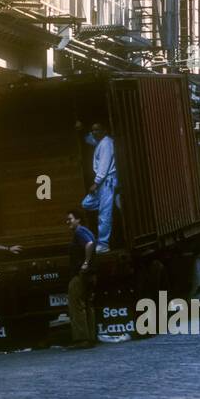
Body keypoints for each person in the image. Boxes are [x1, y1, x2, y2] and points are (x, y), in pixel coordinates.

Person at [81, 121, 118, 252]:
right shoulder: (100, 142)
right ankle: (111, 204)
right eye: (93, 130)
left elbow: (104, 165)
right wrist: (81, 128)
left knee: (104, 214)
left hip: (106, 181)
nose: (94, 132)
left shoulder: (106, 144)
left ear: (104, 131)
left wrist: (96, 182)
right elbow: (88, 139)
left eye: (97, 130)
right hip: (105, 183)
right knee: (86, 204)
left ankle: (103, 244)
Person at [65, 208, 96, 348]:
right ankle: (91, 337)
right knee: (88, 305)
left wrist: (85, 262)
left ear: (78, 220)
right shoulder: (86, 231)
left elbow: (89, 244)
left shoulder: (79, 232)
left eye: (70, 219)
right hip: (89, 274)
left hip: (79, 275)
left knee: (76, 305)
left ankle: (82, 339)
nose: (68, 222)